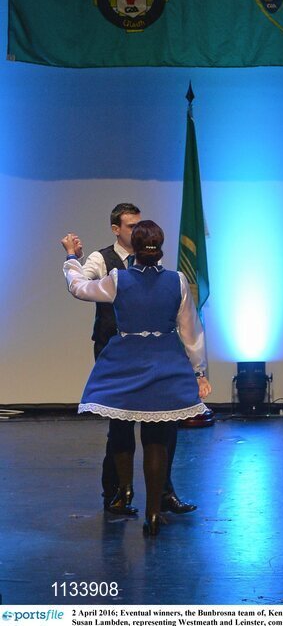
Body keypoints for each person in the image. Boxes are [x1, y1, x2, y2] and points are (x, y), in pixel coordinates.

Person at [62, 221, 211, 537]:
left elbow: (78, 288)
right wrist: (198, 371)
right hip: (165, 362)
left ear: (135, 249)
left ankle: (126, 490)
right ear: (160, 249)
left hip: (126, 361)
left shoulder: (118, 279)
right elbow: (191, 330)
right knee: (157, 440)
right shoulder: (177, 281)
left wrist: (71, 259)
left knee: (122, 425)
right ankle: (154, 514)